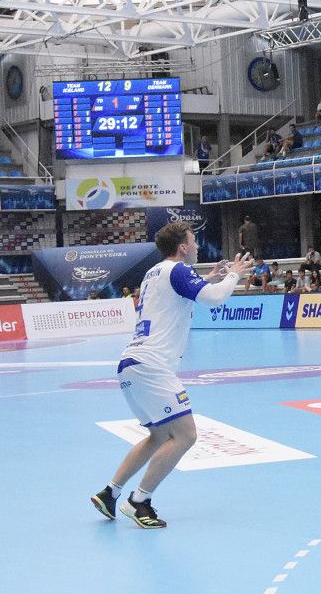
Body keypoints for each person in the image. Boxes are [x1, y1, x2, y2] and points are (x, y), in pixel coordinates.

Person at [90, 223, 252, 529]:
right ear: (182, 248)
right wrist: (234, 274)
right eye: (193, 243)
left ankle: (110, 493)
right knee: (187, 435)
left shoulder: (155, 273)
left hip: (131, 364)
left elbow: (175, 301)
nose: (197, 247)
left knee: (159, 436)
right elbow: (214, 299)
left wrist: (206, 279)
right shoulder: (177, 270)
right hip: (153, 365)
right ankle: (140, 501)